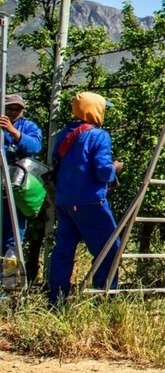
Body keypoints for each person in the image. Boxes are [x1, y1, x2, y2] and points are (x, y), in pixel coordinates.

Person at [46, 92, 123, 307]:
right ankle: (103, 298)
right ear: (94, 110)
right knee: (109, 249)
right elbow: (103, 172)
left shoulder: (64, 134)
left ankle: (56, 299)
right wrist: (116, 168)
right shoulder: (99, 135)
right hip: (90, 202)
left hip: (64, 202)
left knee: (63, 251)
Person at [1, 93, 44, 258]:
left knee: (13, 234)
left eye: (17, 109)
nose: (13, 112)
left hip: (17, 189)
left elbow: (35, 146)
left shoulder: (28, 126)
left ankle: (9, 272)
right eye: (9, 108)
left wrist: (13, 132)